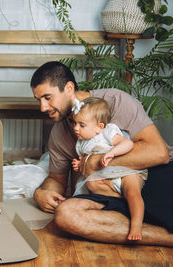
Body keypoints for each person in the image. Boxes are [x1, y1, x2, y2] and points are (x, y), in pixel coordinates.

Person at [30, 61, 173, 246]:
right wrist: (41, 193)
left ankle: (132, 222)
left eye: (47, 97)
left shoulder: (115, 101)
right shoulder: (59, 134)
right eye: (38, 100)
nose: (42, 107)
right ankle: (165, 237)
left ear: (69, 88)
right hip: (107, 189)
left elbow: (158, 152)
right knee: (66, 214)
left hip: (151, 174)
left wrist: (94, 163)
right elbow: (57, 179)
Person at [71, 97, 147, 240]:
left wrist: (111, 153)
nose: (76, 128)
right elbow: (86, 164)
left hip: (125, 171)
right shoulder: (81, 143)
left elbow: (128, 144)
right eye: (75, 123)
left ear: (99, 127)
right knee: (90, 184)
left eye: (81, 125)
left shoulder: (107, 132)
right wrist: (79, 165)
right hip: (105, 179)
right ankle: (120, 201)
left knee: (132, 193)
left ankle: (137, 225)